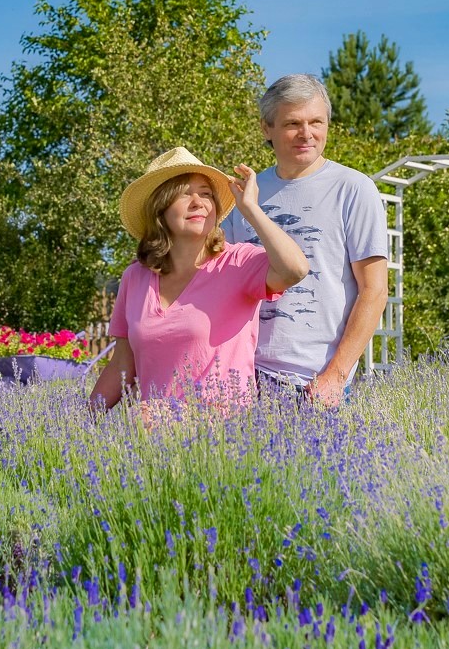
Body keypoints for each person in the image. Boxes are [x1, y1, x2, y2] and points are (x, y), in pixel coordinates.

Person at [89, 147, 309, 414]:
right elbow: (122, 363)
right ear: (160, 210)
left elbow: (295, 270)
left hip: (223, 429)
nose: (198, 202)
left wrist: (250, 209)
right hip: (150, 429)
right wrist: (82, 421)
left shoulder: (238, 262)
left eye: (206, 194)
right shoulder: (136, 276)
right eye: (185, 193)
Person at [221, 74, 389, 406]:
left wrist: (336, 377)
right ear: (266, 129)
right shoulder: (244, 194)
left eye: (316, 122)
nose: (306, 134)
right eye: (292, 123)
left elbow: (375, 290)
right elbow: (221, 281)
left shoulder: (353, 189)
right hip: (242, 376)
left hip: (314, 382)